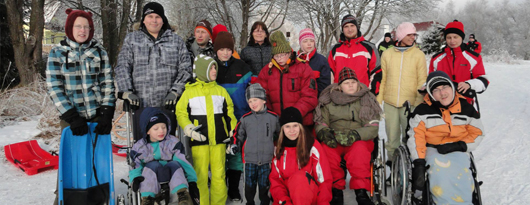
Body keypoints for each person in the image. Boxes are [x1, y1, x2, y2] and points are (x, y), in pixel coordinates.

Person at [407, 71, 484, 204]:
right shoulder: (422, 111)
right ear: (430, 94)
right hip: (431, 149)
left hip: (458, 147)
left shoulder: (466, 108)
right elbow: (416, 137)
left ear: (452, 87)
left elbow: (477, 132)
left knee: (463, 172)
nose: (442, 93)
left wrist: (461, 145)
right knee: (439, 172)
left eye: (445, 87)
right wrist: (419, 162)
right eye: (436, 90)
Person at [314, 67, 383, 205]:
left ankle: (361, 192)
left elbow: (372, 126)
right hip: (335, 137)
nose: (350, 85)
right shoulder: (328, 100)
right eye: (346, 83)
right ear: (339, 86)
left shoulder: (367, 99)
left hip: (358, 138)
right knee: (326, 151)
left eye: (353, 82)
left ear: (358, 83)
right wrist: (325, 133)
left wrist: (355, 134)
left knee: (359, 152)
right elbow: (320, 121)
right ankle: (335, 190)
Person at [176, 54, 237, 205]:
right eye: (211, 68)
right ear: (203, 71)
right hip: (199, 141)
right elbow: (181, 112)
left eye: (215, 67)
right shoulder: (189, 92)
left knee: (219, 175)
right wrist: (189, 128)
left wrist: (232, 133)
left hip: (219, 141)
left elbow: (230, 113)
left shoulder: (221, 91)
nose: (215, 71)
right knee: (200, 175)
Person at [47, 8, 116, 137]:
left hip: (97, 117)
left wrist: (107, 112)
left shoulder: (99, 51)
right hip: (72, 118)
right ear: (70, 27)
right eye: (78, 26)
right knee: (75, 156)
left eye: (86, 27)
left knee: (97, 155)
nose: (82, 30)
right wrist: (72, 117)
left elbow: (107, 83)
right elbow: (54, 87)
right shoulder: (57, 52)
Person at [115, 2, 192, 109]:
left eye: (158, 17)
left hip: (169, 105)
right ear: (144, 20)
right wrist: (127, 91)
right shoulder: (132, 40)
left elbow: (186, 68)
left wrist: (175, 91)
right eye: (150, 16)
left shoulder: (176, 41)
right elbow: (123, 66)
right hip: (140, 105)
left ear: (163, 20)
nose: (154, 20)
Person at [377, 22, 427, 168]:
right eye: (409, 34)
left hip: (410, 104)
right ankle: (393, 169)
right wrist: (379, 100)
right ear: (400, 36)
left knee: (409, 138)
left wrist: (418, 104)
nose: (412, 37)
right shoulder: (387, 54)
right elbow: (383, 79)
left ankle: (409, 169)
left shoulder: (419, 55)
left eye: (414, 35)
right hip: (390, 103)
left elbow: (422, 81)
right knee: (392, 139)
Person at [213, 31, 253, 201]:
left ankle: (234, 188)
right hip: (216, 119)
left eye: (228, 49)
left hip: (239, 117)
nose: (225, 53)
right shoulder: (211, 67)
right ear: (216, 50)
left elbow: (251, 90)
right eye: (221, 49)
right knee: (220, 156)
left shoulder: (242, 67)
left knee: (235, 154)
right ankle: (221, 187)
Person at [129, 108, 197, 205]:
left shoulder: (172, 142)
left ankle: (183, 195)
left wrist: (192, 181)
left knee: (176, 165)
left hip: (171, 172)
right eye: (156, 128)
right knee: (151, 166)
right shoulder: (140, 147)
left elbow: (183, 162)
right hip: (151, 177)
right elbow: (136, 165)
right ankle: (148, 199)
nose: (161, 131)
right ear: (147, 131)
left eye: (164, 127)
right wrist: (135, 178)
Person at [227, 83, 280, 205]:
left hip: (267, 160)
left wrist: (278, 147)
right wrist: (235, 145)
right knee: (249, 187)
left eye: (255, 100)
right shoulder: (245, 119)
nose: (253, 104)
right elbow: (237, 134)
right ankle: (249, 202)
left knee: (264, 187)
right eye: (250, 101)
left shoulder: (273, 118)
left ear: (263, 100)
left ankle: (264, 202)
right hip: (250, 159)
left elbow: (280, 134)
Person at [270, 107, 333, 205]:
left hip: (308, 195)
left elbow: (324, 180)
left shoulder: (312, 145)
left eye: (295, 125)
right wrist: (284, 201)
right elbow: (276, 180)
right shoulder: (277, 148)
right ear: (282, 128)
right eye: (287, 126)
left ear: (301, 126)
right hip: (287, 198)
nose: (292, 130)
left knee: (299, 178)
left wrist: (323, 202)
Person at [256, 31, 318, 128]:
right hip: (275, 123)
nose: (280, 59)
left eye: (282, 55)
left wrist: (293, 114)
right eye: (276, 56)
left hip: (300, 122)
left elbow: (310, 96)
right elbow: (262, 96)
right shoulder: (266, 71)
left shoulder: (303, 68)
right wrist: (271, 116)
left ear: (289, 53)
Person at [429, 20, 489, 113]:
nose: (452, 41)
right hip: (442, 106)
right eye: (449, 37)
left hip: (466, 104)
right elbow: (431, 80)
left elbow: (483, 82)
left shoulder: (473, 57)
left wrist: (469, 84)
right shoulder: (436, 58)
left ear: (462, 37)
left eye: (455, 37)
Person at [327, 14, 381, 95]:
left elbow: (377, 72)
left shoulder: (369, 48)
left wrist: (372, 93)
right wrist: (331, 93)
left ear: (357, 27)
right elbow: (328, 74)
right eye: (346, 26)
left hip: (363, 95)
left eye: (352, 25)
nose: (349, 29)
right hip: (339, 95)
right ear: (342, 29)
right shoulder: (334, 49)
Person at [297, 28, 331, 96]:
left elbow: (325, 86)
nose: (309, 44)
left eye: (311, 41)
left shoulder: (322, 61)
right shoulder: (295, 61)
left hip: (316, 100)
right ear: (301, 44)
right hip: (297, 101)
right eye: (305, 41)